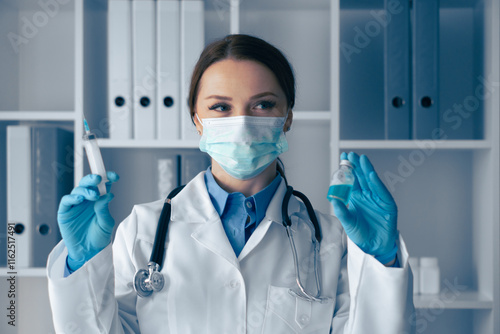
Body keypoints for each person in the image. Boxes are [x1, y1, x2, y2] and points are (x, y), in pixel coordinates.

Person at [47, 34, 414, 333]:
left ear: (287, 118)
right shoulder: (142, 231)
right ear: (197, 120)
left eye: (263, 105)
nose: (240, 123)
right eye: (221, 107)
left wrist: (383, 260)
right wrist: (81, 263)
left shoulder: (329, 240)